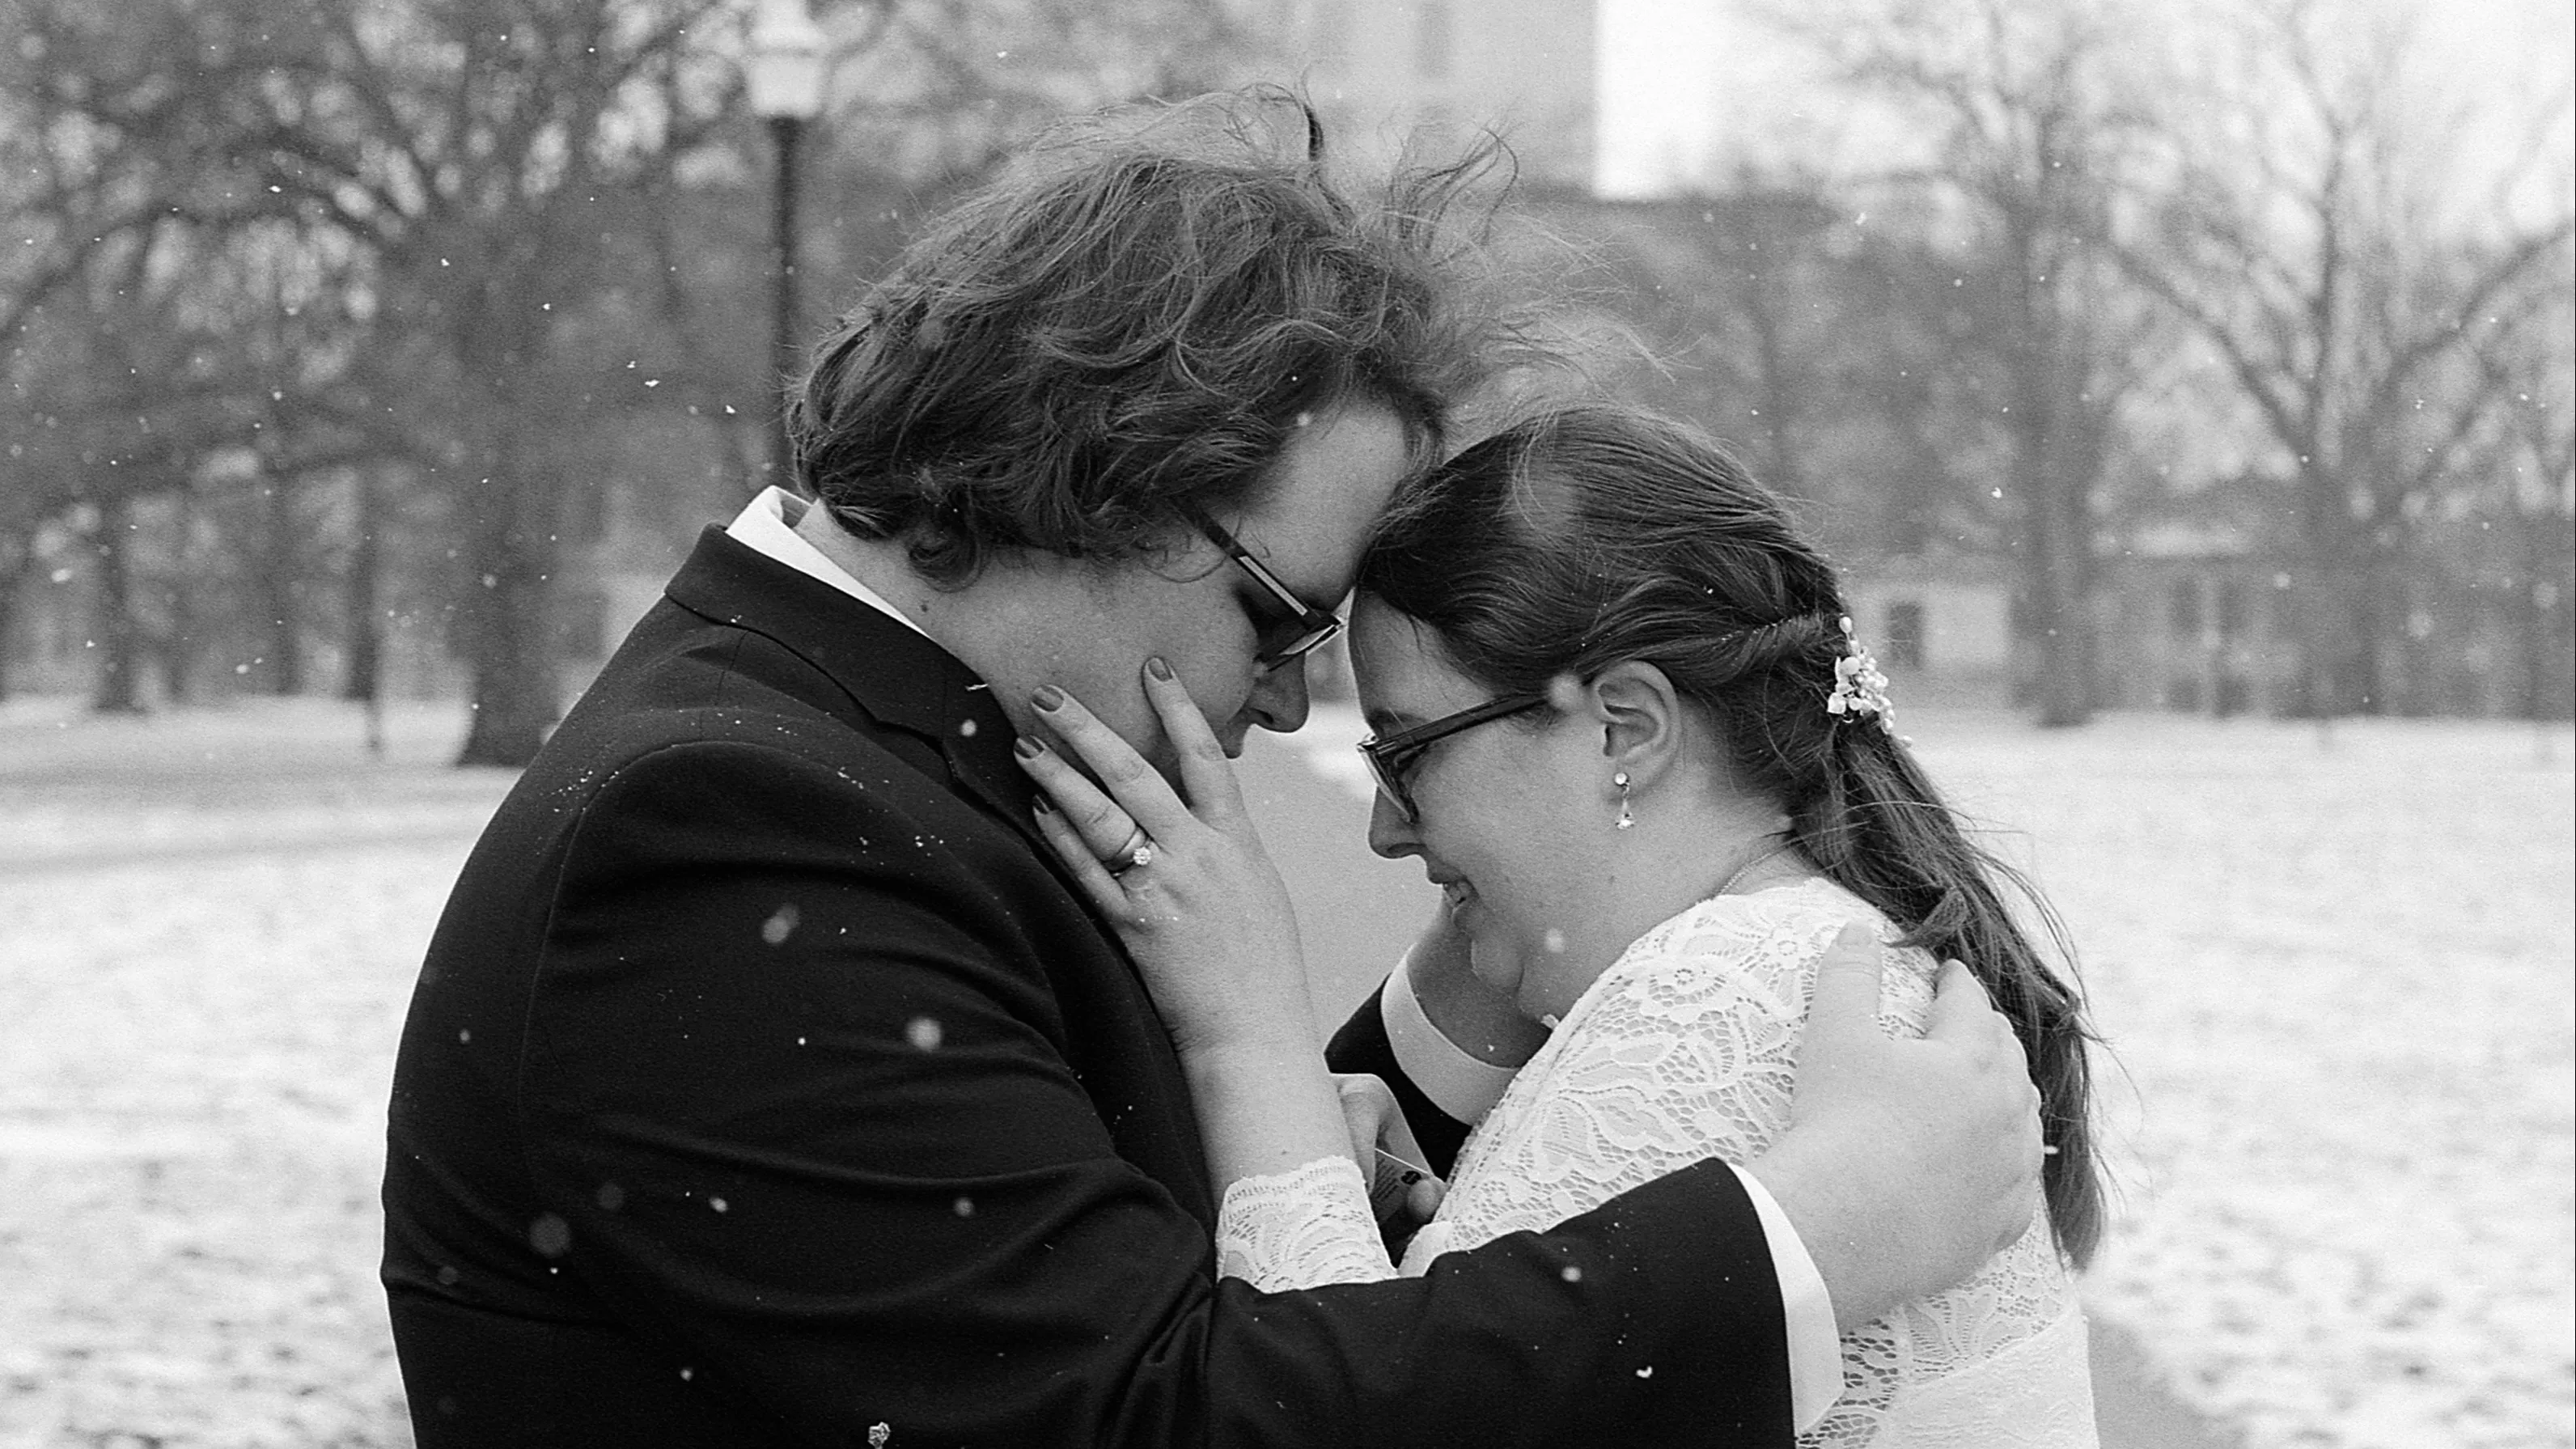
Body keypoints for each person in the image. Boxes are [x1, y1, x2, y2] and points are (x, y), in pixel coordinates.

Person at [381, 91, 2044, 1447]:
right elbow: (1157, 1416)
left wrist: (1417, 1050)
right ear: (1094, 475)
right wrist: (1810, 1231)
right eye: (1279, 617)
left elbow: (1064, 1260)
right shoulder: (727, 833)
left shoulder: (843, 756)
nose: (1277, 710)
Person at [1019, 405, 2106, 1445]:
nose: (1389, 832)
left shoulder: (1723, 991)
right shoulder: (1814, 951)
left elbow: (1348, 1414)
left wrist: (1242, 1027)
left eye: (1407, 754)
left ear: (1623, 728)